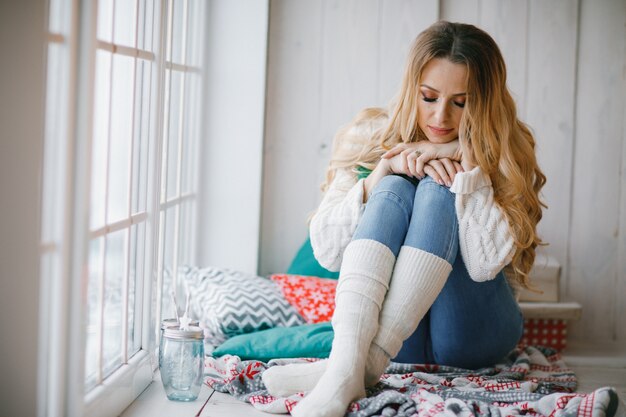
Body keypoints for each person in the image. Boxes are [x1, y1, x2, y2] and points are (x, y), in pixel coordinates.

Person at [263, 21, 546, 417]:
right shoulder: (370, 136)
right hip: (401, 344)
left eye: (461, 103)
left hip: (473, 337)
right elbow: (327, 252)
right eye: (428, 97)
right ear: (411, 87)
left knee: (437, 189)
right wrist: (379, 176)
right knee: (394, 186)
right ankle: (349, 367)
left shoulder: (505, 146)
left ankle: (348, 371)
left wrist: (466, 169)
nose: (441, 116)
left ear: (483, 102)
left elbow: (483, 266)